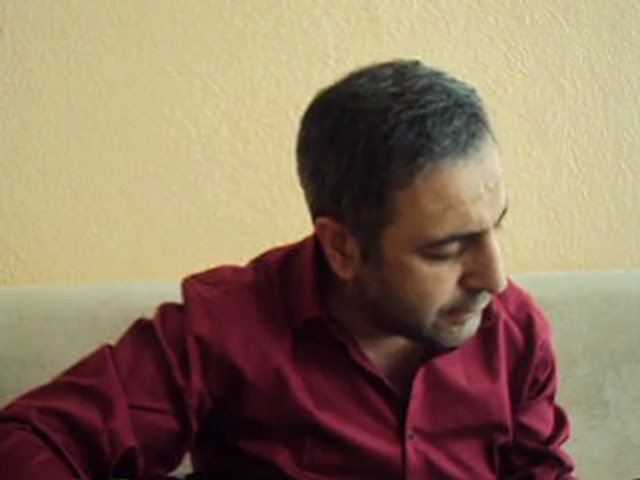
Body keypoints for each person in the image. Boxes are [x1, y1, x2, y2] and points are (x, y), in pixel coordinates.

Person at [0, 60, 576, 479]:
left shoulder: (517, 331)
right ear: (342, 247)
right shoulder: (225, 327)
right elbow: (27, 440)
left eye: (496, 226)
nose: (494, 278)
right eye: (446, 250)